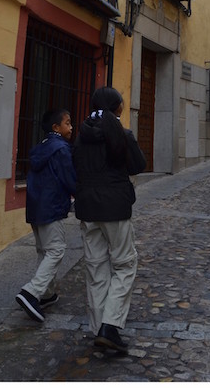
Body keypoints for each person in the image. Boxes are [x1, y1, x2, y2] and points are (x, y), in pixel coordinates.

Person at [73, 87, 146, 354]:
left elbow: (75, 168)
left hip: (88, 209)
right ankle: (110, 326)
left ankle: (98, 328)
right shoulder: (121, 134)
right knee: (125, 265)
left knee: (96, 269)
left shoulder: (80, 136)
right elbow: (139, 165)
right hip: (115, 208)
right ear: (117, 108)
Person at [15, 109, 77, 323]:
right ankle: (31, 292)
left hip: (35, 207)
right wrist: (81, 194)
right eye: (68, 123)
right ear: (56, 128)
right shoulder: (61, 149)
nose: (71, 127)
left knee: (44, 251)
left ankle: (47, 294)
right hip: (51, 208)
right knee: (56, 251)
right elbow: (69, 177)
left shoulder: (39, 149)